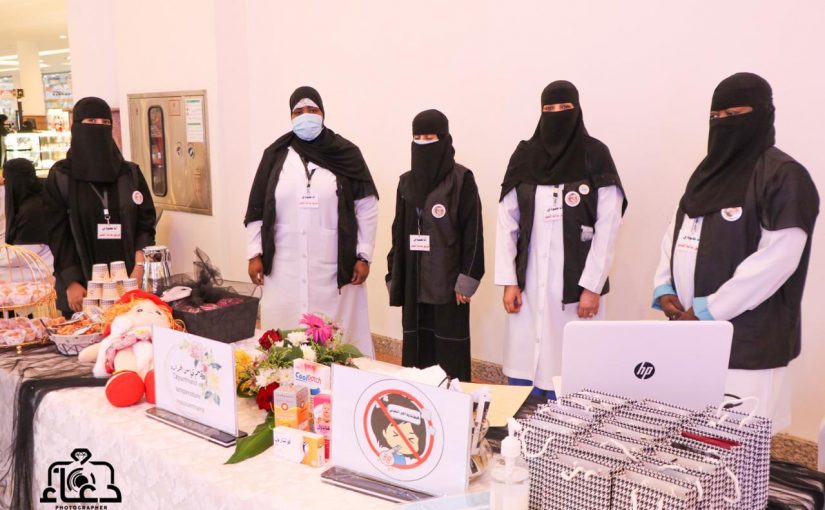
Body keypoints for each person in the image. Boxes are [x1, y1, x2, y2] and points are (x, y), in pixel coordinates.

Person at [652, 73, 819, 430]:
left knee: (739, 442)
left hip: (749, 342)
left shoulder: (784, 176)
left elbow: (776, 262)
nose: (723, 124)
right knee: (693, 433)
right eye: (716, 116)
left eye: (733, 114)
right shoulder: (707, 173)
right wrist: (664, 287)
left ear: (762, 114)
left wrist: (708, 310)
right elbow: (677, 230)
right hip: (692, 331)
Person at [495, 81, 626, 397]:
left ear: (577, 110)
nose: (556, 114)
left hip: (576, 287)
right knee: (526, 362)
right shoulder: (524, 155)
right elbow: (506, 221)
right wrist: (509, 281)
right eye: (549, 109)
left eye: (564, 108)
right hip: (528, 280)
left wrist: (592, 287)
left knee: (571, 366)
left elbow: (608, 226)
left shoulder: (595, 155)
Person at [245, 86, 379, 357]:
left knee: (336, 339)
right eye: (298, 112)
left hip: (333, 265)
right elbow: (256, 207)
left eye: (312, 110)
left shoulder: (346, 153)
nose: (306, 116)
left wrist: (363, 255)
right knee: (284, 337)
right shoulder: (275, 155)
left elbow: (366, 207)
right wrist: (254, 253)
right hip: (283, 267)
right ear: (290, 116)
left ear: (323, 113)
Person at [386, 109, 485, 381]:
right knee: (417, 355)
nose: (423, 143)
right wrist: (395, 275)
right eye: (417, 138)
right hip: (414, 283)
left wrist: (467, 280)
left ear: (444, 139)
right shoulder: (406, 183)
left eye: (429, 138)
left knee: (449, 356)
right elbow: (398, 232)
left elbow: (474, 232)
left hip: (448, 284)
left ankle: (453, 403)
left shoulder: (462, 180)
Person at [44, 97, 156, 315]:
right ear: (76, 126)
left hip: (129, 282)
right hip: (83, 287)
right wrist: (71, 281)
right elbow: (57, 234)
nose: (99, 127)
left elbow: (146, 223)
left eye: (105, 123)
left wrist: (139, 267)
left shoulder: (129, 173)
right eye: (92, 121)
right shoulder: (62, 176)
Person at [1, 158, 53, 280]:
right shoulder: (38, 199)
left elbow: (21, 255)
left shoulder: (32, 210)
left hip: (41, 272)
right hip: (39, 266)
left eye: (6, 180)